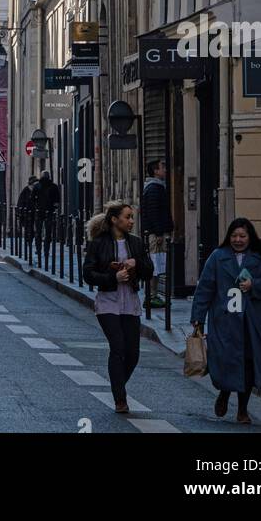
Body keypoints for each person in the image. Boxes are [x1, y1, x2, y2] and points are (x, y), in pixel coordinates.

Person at [190, 217, 261, 424]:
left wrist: (253, 285)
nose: (238, 240)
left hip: (249, 322)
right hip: (223, 320)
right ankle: (224, 392)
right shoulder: (217, 257)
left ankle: (243, 409)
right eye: (234, 236)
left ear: (250, 237)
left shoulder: (258, 258)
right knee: (224, 361)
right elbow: (205, 289)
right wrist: (198, 318)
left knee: (247, 363)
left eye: (242, 236)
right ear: (228, 236)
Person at [83, 201, 154, 413]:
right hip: (108, 303)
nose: (132, 221)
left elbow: (149, 270)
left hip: (130, 303)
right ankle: (120, 399)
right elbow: (88, 274)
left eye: (132, 217)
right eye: (128, 217)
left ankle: (117, 384)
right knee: (118, 348)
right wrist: (113, 277)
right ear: (115, 220)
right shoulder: (99, 243)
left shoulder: (137, 243)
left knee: (133, 353)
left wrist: (137, 264)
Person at [141, 158, 174, 308]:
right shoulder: (154, 188)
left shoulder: (155, 187)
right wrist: (159, 233)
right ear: (155, 170)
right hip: (156, 235)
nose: (165, 170)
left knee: (157, 266)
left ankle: (152, 295)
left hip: (155, 233)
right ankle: (151, 296)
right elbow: (154, 212)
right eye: (163, 167)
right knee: (154, 266)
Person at [32, 171, 60, 259]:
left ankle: (39, 249)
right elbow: (57, 200)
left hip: (40, 211)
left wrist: (36, 206)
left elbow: (32, 198)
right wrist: (54, 206)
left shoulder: (37, 186)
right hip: (49, 211)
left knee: (39, 232)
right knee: (47, 233)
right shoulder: (53, 186)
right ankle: (46, 250)